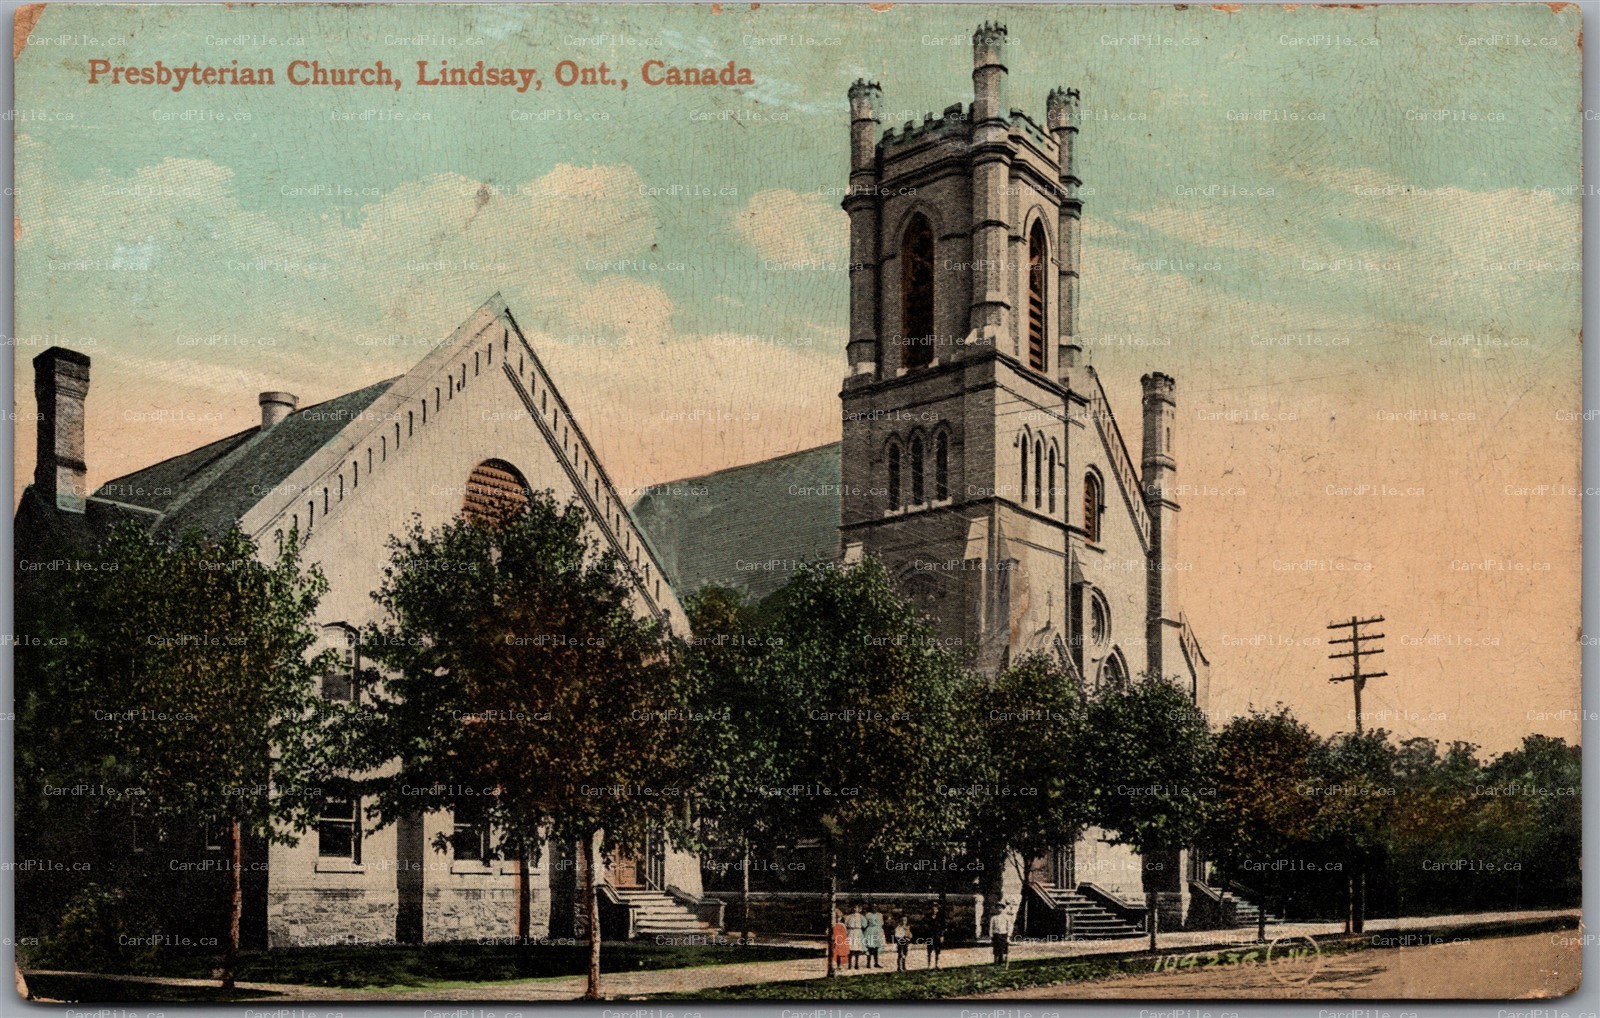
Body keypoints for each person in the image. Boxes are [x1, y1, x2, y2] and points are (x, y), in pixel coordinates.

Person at [990, 899, 1014, 965]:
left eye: (1001, 908)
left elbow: (1009, 926)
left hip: (1004, 934)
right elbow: (991, 927)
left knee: (1004, 948)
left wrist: (1008, 936)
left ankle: (1003, 961)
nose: (999, 910)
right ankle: (996, 961)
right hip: (996, 934)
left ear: (1003, 909)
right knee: (997, 948)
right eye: (998, 908)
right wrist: (991, 935)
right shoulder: (994, 918)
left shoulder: (1006, 917)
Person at [862, 902, 885, 968]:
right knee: (869, 947)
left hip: (877, 931)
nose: (874, 908)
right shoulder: (868, 915)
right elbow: (865, 924)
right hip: (870, 931)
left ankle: (876, 963)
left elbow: (881, 923)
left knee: (876, 947)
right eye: (872, 907)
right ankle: (868, 963)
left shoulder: (880, 915)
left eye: (875, 907)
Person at [845, 904, 866, 970]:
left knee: (857, 949)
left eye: (856, 908)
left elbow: (864, 925)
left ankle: (856, 964)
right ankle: (849, 964)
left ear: (859, 909)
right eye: (853, 908)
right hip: (851, 932)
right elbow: (846, 925)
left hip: (858, 932)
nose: (854, 909)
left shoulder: (861, 917)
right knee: (850, 949)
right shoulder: (848, 917)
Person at [925, 904, 946, 969]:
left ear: (937, 910)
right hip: (930, 935)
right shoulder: (927, 917)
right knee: (929, 950)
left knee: (937, 950)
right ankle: (929, 965)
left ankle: (936, 964)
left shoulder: (940, 918)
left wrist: (942, 936)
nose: (934, 910)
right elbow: (924, 924)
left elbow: (943, 927)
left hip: (937, 935)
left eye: (936, 909)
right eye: (933, 909)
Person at [829, 908, 850, 972]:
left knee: (841, 952)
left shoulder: (842, 923)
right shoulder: (832, 923)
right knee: (835, 951)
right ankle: (836, 965)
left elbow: (846, 932)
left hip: (841, 938)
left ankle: (841, 965)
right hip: (835, 937)